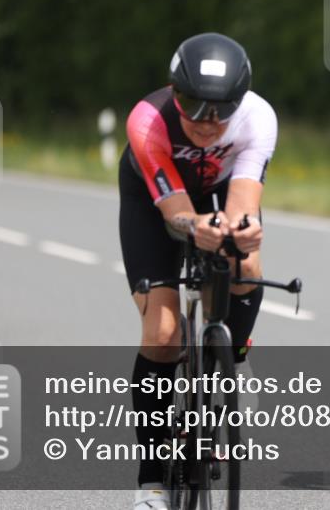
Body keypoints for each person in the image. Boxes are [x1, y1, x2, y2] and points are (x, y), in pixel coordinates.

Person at [118, 33, 277, 509]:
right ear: (174, 92)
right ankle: (151, 482)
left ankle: (235, 358)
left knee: (246, 261)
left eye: (220, 110)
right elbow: (174, 213)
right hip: (155, 201)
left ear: (240, 102)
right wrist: (195, 226)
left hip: (220, 192)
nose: (207, 123)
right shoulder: (148, 121)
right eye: (192, 105)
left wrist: (240, 231)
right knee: (164, 333)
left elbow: (245, 201)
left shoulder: (258, 117)